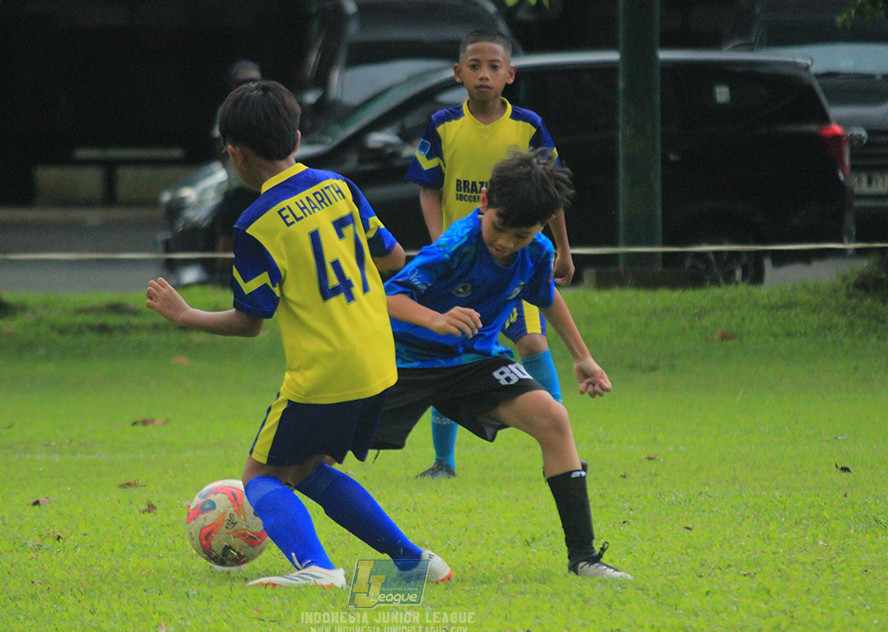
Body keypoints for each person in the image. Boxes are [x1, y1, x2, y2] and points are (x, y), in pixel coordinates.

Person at [146, 80, 451, 588]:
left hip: (325, 370)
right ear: (298, 137)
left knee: (260, 477)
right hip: (378, 357)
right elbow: (394, 258)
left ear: (235, 154)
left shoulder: (255, 224)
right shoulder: (340, 186)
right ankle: (410, 560)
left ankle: (316, 569)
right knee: (306, 469)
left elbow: (250, 321)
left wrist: (185, 315)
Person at [374, 148, 631, 579]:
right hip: (406, 362)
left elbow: (547, 298)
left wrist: (583, 357)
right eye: (501, 228)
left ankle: (584, 558)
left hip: (475, 361)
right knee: (323, 450)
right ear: (484, 202)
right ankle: (270, 516)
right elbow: (389, 297)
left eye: (523, 235)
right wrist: (436, 320)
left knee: (553, 417)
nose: (507, 242)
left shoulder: (537, 252)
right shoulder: (456, 245)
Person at [405, 28, 576, 479]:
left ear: (510, 75)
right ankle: (444, 461)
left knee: (533, 340)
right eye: (475, 66)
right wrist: (440, 241)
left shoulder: (528, 125)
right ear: (458, 73)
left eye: (494, 67)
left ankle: (560, 439)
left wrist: (562, 249)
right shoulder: (442, 124)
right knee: (449, 350)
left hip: (513, 258)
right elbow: (428, 187)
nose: (484, 75)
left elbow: (550, 194)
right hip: (461, 264)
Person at [208, 60, 263, 285]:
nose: (247, 88)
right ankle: (224, 282)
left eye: (252, 83)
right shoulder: (227, 110)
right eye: (242, 83)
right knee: (227, 236)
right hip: (237, 186)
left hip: (261, 188)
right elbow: (217, 143)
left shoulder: (264, 109)